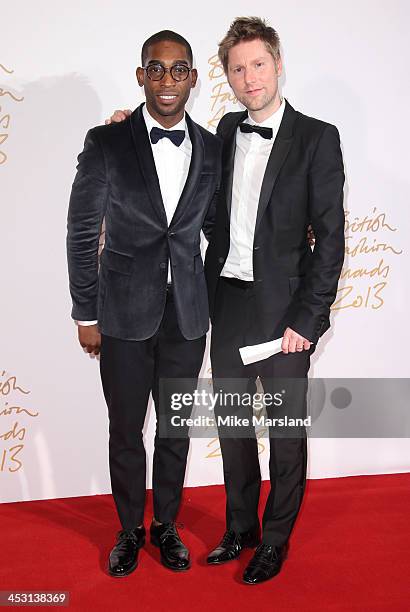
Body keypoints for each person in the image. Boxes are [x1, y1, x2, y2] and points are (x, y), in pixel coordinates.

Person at [107, 16, 345, 585]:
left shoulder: (318, 137)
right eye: (237, 69)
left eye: (258, 64)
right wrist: (122, 127)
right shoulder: (220, 133)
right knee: (236, 432)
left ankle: (276, 540)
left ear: (278, 64)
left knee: (285, 434)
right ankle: (241, 527)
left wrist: (307, 320)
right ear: (228, 79)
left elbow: (331, 240)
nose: (249, 76)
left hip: (286, 315)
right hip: (227, 304)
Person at [66, 30, 221, 578]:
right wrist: (86, 313)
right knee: (126, 430)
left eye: (179, 70)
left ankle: (167, 525)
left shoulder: (210, 147)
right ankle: (129, 529)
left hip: (187, 316)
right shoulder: (106, 142)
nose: (167, 81)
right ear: (140, 76)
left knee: (175, 429)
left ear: (194, 79)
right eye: (156, 70)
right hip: (122, 315)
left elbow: (221, 228)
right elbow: (82, 232)